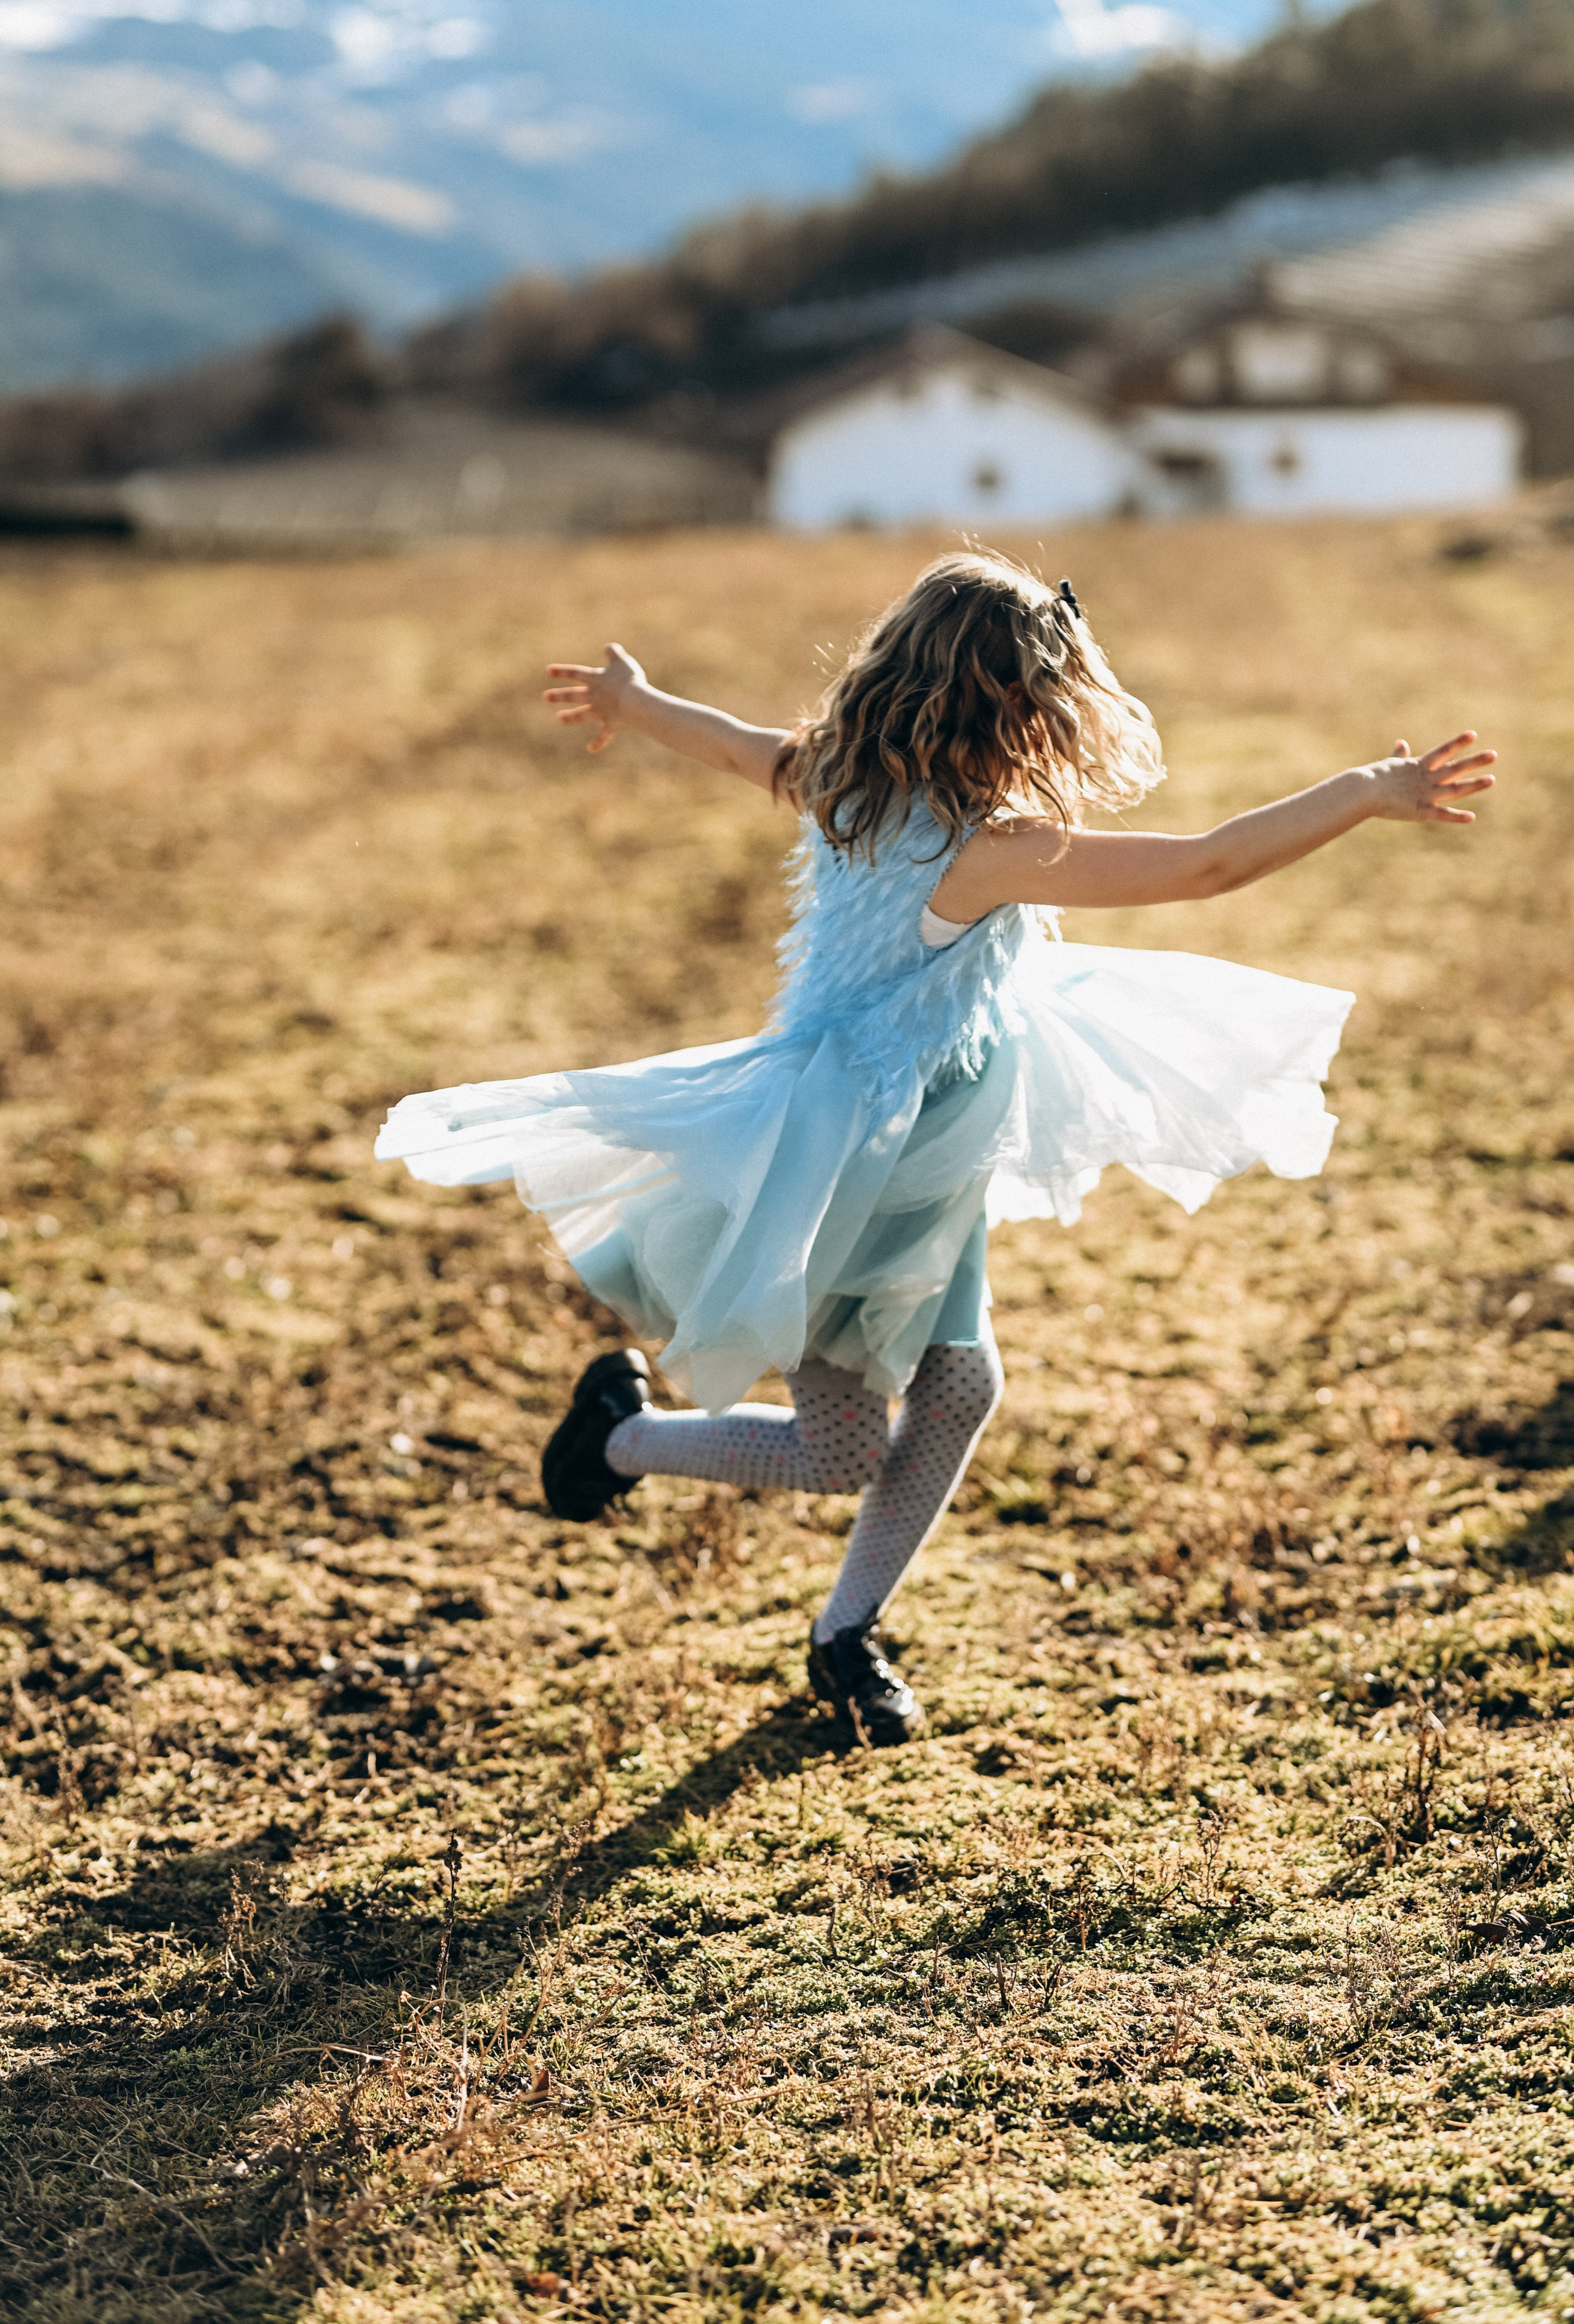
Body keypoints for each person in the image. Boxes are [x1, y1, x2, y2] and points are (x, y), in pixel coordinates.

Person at [376, 552, 1493, 1746]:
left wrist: (634, 702)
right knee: (839, 1449)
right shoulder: (983, 849)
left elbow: (722, 739)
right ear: (1015, 708)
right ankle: (617, 1437)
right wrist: (1361, 790)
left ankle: (841, 1637)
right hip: (843, 1161)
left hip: (923, 1138)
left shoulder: (836, 780)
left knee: (959, 1388)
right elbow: (1201, 866)